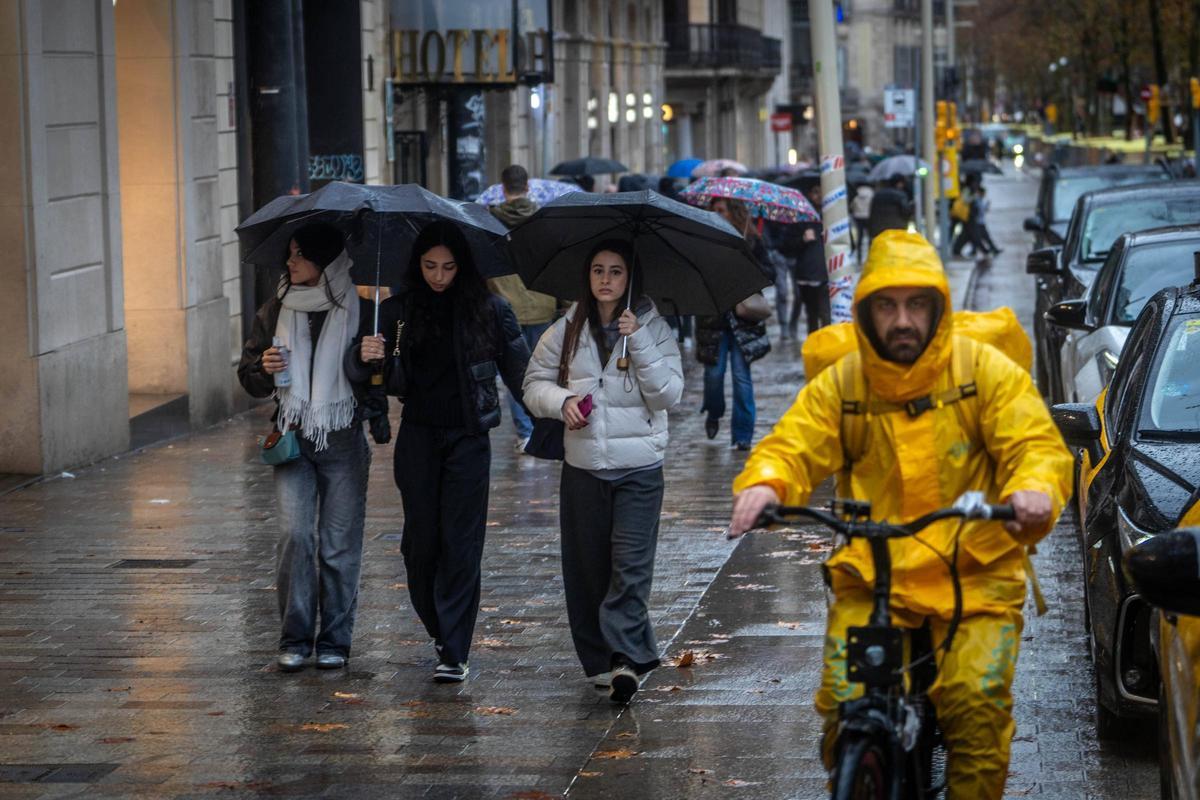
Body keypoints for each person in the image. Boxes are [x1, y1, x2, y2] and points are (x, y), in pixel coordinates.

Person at [726, 230, 1073, 800]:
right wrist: (766, 484)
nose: (902, 320)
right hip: (876, 576)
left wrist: (1031, 490)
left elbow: (1034, 444)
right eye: (887, 306)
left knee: (976, 704)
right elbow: (794, 443)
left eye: (916, 304)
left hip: (975, 575)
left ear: (938, 307)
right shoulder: (846, 382)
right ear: (866, 311)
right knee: (844, 701)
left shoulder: (981, 370)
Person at [353, 221, 530, 684]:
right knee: (420, 544)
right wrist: (367, 356)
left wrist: (555, 418)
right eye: (430, 266)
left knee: (461, 541)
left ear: (462, 267)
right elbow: (371, 376)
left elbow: (522, 374)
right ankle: (440, 626)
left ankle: (455, 648)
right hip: (418, 436)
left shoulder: (490, 310)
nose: (438, 276)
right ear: (417, 265)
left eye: (448, 267)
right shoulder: (397, 311)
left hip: (469, 438)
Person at [522, 240, 684, 704]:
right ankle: (601, 660)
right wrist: (564, 402)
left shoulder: (653, 328)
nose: (606, 280)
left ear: (630, 278)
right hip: (584, 468)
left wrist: (642, 343)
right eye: (598, 270)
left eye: (615, 271)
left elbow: (669, 395)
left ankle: (628, 659)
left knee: (630, 568)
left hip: (640, 469)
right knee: (588, 570)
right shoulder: (567, 329)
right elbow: (533, 385)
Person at [237, 223, 374, 673]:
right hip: (293, 435)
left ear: (325, 262)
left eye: (300, 255)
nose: (291, 262)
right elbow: (251, 377)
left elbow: (376, 385)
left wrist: (369, 358)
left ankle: (335, 639)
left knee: (338, 545)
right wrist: (262, 365)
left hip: (343, 436)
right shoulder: (275, 308)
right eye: (290, 255)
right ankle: (295, 637)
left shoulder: (363, 310)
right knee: (294, 536)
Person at [485, 164, 558, 453]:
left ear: (503, 188)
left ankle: (526, 432)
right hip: (543, 305)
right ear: (527, 187)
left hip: (506, 310)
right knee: (542, 372)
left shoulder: (490, 223)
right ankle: (544, 424)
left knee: (514, 373)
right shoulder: (545, 222)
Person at [697, 198, 772, 450]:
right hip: (713, 319)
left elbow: (770, 274)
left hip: (743, 321)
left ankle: (743, 435)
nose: (715, 214)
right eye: (713, 210)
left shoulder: (751, 239)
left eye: (720, 210)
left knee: (741, 378)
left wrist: (746, 262)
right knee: (713, 375)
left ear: (733, 212)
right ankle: (714, 411)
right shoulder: (705, 239)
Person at [788, 186, 830, 337]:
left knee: (826, 315)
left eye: (821, 192)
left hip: (826, 274)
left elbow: (848, 243)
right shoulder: (801, 218)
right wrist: (803, 239)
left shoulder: (832, 216)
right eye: (815, 192)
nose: (818, 196)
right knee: (812, 316)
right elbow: (787, 246)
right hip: (806, 275)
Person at [972, 186, 1001, 256]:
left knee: (980, 237)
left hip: (980, 222)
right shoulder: (976, 200)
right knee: (982, 237)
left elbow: (983, 210)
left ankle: (992, 249)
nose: (984, 195)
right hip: (978, 222)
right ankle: (992, 250)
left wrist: (987, 206)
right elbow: (979, 210)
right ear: (980, 193)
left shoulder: (980, 200)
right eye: (983, 193)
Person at [849, 184, 874, 263]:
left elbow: (852, 206)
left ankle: (859, 257)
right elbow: (873, 204)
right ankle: (870, 255)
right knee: (870, 236)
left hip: (858, 217)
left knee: (859, 236)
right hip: (868, 216)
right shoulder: (870, 192)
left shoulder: (856, 192)